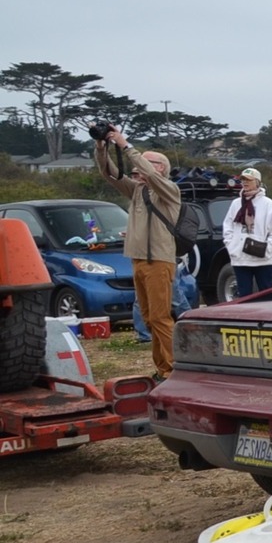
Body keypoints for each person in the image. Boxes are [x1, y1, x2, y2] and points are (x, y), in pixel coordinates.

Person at [93, 126, 182, 379]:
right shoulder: (137, 190)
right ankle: (162, 368)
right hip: (139, 260)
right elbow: (108, 173)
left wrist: (126, 145)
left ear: (160, 167)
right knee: (148, 318)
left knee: (161, 317)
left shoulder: (168, 190)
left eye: (145, 162)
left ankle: (175, 368)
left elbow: (150, 175)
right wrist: (102, 147)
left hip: (159, 260)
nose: (136, 170)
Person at [225, 168, 272, 298]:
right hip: (240, 258)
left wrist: (267, 249)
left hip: (263, 259)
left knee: (266, 295)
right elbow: (228, 226)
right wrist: (231, 246)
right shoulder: (236, 204)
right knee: (244, 295)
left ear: (257, 182)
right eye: (243, 180)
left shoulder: (268, 204)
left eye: (248, 180)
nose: (245, 183)